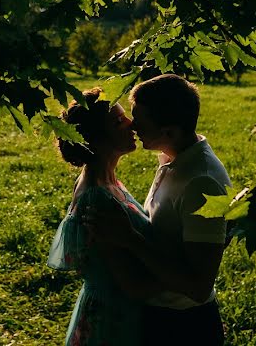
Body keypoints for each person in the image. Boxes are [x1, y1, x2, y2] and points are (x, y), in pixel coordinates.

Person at [86, 74, 231, 345]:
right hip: (159, 317)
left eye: (140, 120)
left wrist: (130, 239)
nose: (132, 125)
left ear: (170, 132)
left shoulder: (201, 182)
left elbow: (199, 288)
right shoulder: (172, 156)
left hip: (183, 327)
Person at [47, 88, 151, 346]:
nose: (131, 124)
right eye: (118, 121)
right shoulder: (97, 199)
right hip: (113, 323)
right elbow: (132, 285)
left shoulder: (105, 180)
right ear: (96, 139)